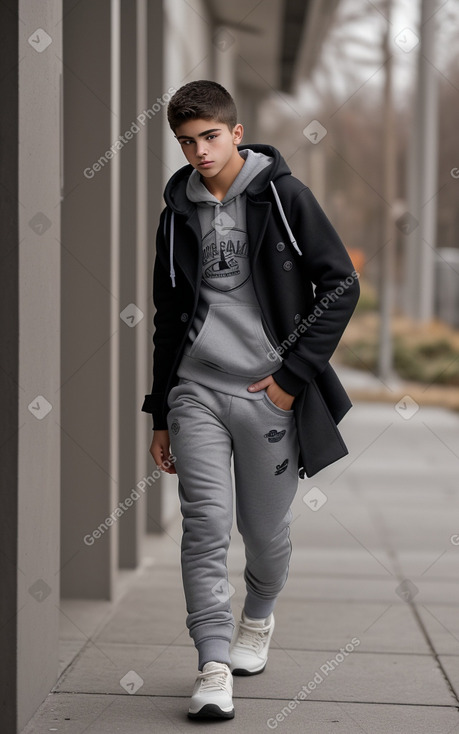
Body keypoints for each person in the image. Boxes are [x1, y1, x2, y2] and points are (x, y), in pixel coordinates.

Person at [141, 80, 360, 720]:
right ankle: (212, 664)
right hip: (196, 391)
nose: (199, 153)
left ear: (236, 133)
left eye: (210, 137)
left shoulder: (283, 197)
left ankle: (258, 615)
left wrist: (292, 378)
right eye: (186, 142)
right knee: (205, 527)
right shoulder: (175, 213)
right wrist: (160, 411)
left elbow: (339, 283)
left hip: (268, 394)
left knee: (263, 535)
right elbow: (168, 314)